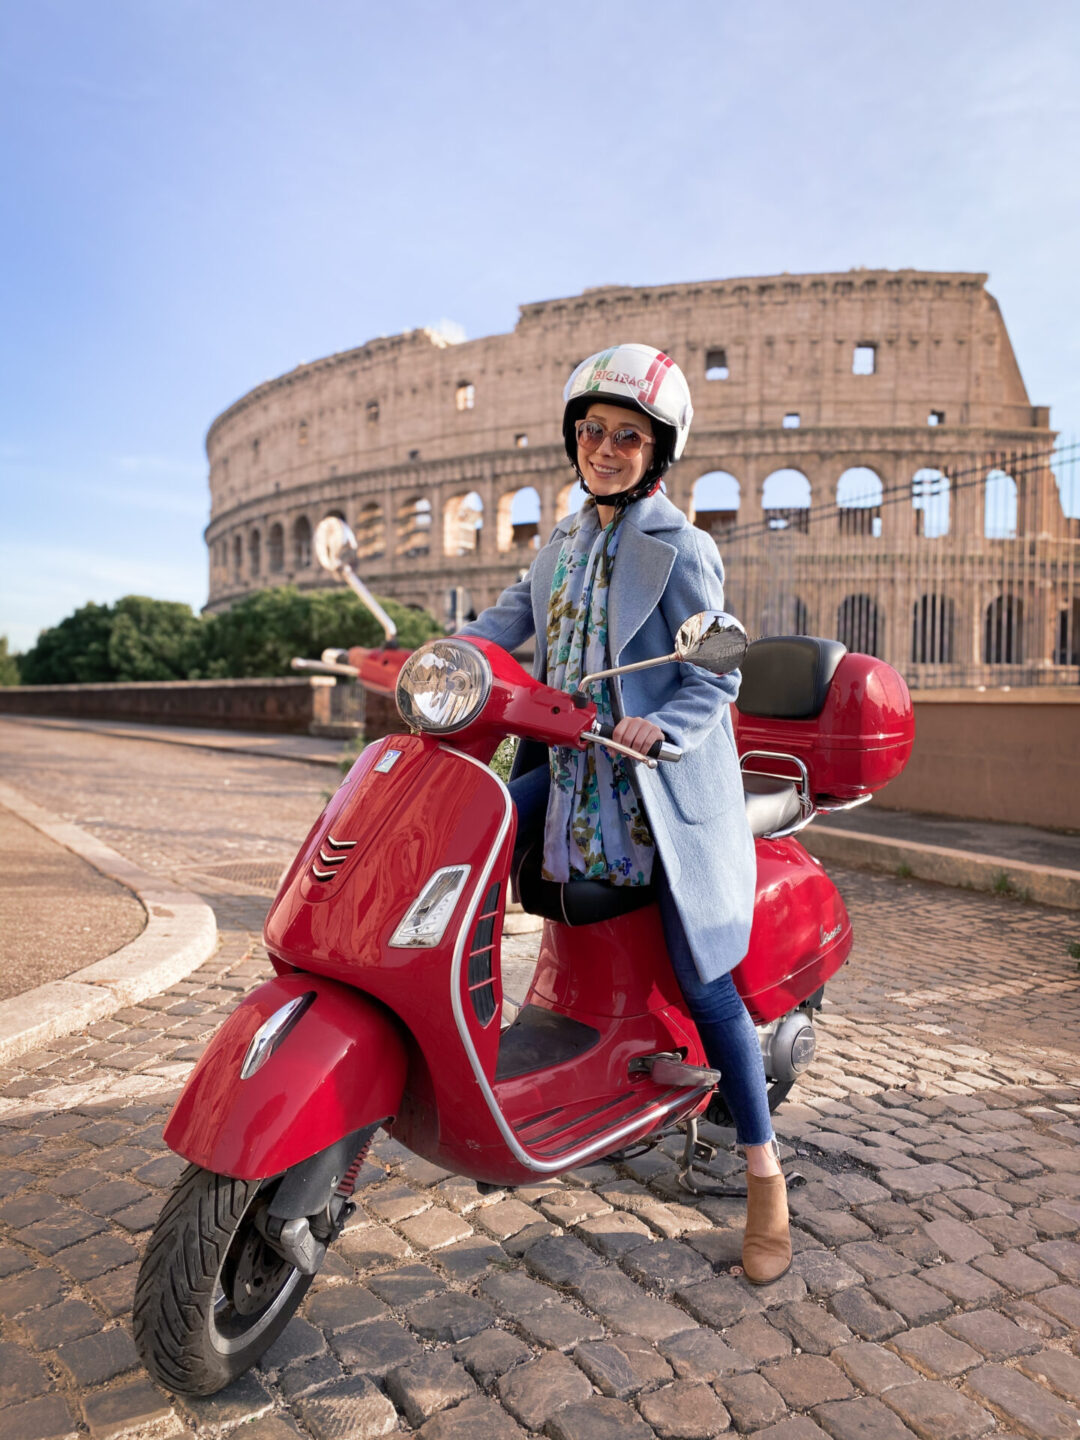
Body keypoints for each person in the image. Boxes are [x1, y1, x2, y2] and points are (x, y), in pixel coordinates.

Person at [460, 344, 791, 1285]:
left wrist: (660, 729)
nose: (605, 448)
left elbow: (715, 673)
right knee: (465, 833)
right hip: (568, 769)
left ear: (658, 450)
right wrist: (441, 655)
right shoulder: (559, 543)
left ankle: (764, 1174)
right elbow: (503, 623)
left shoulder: (684, 549)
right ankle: (480, 1041)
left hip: (654, 780)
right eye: (593, 432)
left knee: (705, 979)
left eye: (627, 436)